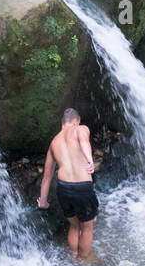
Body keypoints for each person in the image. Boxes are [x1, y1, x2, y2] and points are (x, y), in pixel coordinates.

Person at [37, 108, 99, 258]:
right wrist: (90, 159)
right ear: (76, 121)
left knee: (74, 225)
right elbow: (84, 140)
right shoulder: (80, 129)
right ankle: (83, 262)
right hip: (82, 187)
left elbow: (47, 177)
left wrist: (43, 202)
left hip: (64, 189)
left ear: (62, 123)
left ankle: (73, 256)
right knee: (87, 227)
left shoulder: (53, 143)